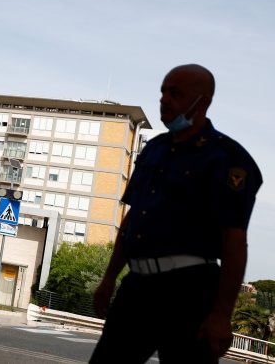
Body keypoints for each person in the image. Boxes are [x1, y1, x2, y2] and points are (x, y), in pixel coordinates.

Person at [90, 64, 262, 363]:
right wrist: (109, 279)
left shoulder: (228, 159)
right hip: (138, 288)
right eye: (163, 91)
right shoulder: (155, 149)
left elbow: (234, 241)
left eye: (175, 93)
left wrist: (222, 314)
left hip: (190, 292)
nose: (164, 99)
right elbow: (132, 221)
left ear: (203, 101)